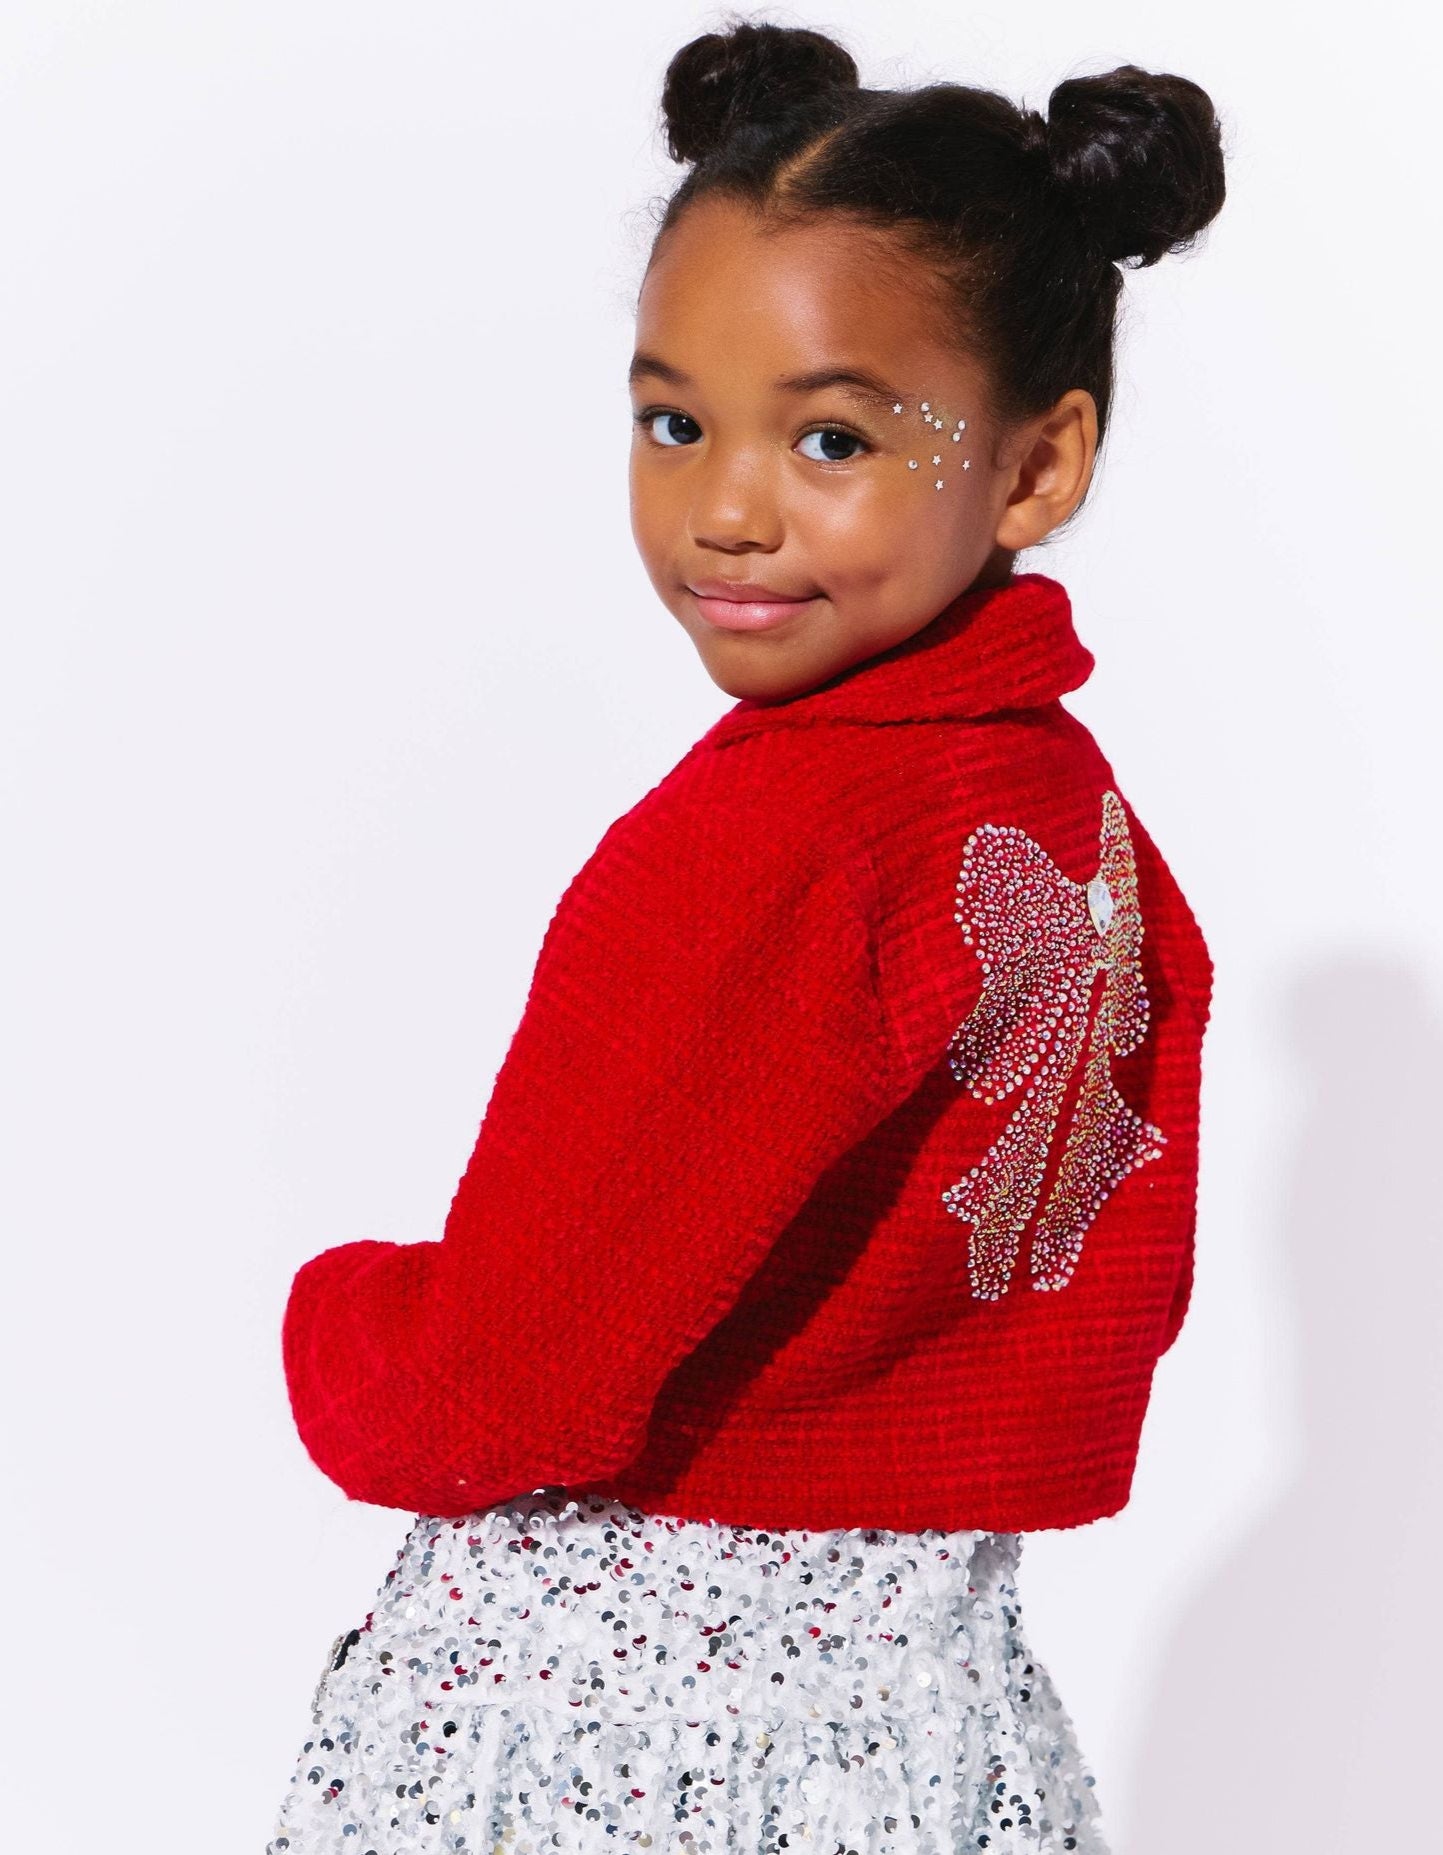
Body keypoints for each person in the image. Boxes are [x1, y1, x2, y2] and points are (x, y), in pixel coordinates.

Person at [266, 17, 1225, 1853]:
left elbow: (501, 1385)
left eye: (833, 437)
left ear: (1036, 469)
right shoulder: (1077, 826)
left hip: (617, 1720)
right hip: (930, 1710)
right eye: (674, 422)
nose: (721, 509)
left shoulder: (784, 846)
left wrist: (340, 1323)